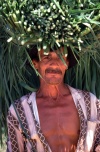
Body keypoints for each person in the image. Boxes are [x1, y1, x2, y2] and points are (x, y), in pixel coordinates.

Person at [7, 46, 100, 152]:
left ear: (67, 63)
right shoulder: (19, 111)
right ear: (35, 64)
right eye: (47, 57)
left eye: (60, 57)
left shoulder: (91, 103)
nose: (54, 64)